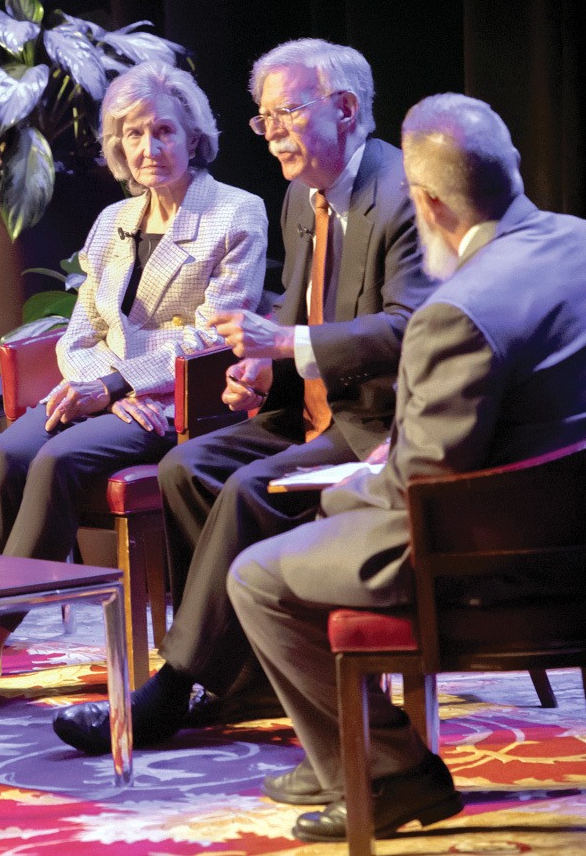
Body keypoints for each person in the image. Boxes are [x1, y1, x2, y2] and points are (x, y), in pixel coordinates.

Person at [54, 39, 438, 756]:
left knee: (246, 492)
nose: (272, 135)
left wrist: (284, 347)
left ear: (345, 110)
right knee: (186, 468)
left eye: (286, 114)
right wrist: (264, 368)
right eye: (264, 120)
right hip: (311, 409)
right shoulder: (302, 197)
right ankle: (255, 672)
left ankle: (176, 685)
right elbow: (295, 311)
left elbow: (407, 326)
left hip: (377, 422)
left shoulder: (399, 195)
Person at [227, 93, 586, 843]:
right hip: (567, 522)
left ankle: (389, 772)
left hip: (497, 558)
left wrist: (346, 489)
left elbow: (416, 488)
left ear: (426, 203)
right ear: (511, 167)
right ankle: (366, 757)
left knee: (258, 574)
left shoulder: (458, 309)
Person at [0, 60, 268, 717]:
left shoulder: (236, 214)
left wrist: (124, 381)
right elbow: (76, 337)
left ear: (194, 136)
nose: (149, 148)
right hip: (110, 394)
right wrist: (102, 384)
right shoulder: (113, 223)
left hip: (178, 403)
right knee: (7, 454)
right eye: (132, 136)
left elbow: (213, 336)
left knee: (58, 463)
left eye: (163, 132)